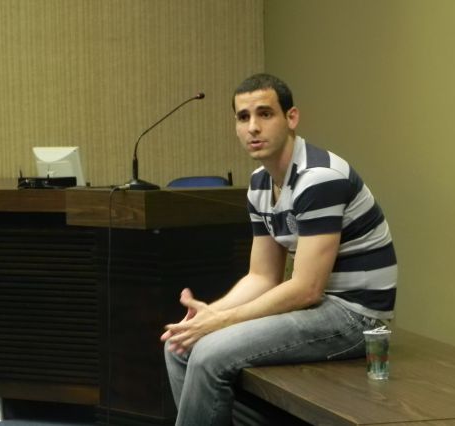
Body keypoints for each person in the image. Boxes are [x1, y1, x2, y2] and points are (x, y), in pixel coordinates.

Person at [161, 73, 397, 425]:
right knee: (180, 345)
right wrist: (209, 314)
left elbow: (306, 289)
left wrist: (221, 322)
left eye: (265, 114)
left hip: (357, 317)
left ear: (291, 118)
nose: (253, 127)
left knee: (208, 352)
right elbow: (262, 276)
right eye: (243, 117)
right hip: (320, 307)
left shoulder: (318, 178)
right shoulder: (259, 184)